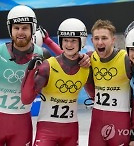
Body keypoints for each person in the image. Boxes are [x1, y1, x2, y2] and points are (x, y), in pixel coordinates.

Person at [21, 18, 94, 146]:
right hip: (47, 129)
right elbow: (26, 99)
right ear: (61, 41)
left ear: (81, 41)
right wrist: (31, 71)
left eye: (73, 40)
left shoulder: (85, 67)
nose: (69, 44)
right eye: (65, 40)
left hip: (71, 129)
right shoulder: (46, 67)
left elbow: (94, 95)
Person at [0, 4, 54, 146]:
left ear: (32, 28)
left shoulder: (43, 54)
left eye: (25, 28)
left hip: (22, 124)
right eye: (16, 28)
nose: (20, 32)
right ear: (10, 29)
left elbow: (68, 62)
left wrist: (82, 59)